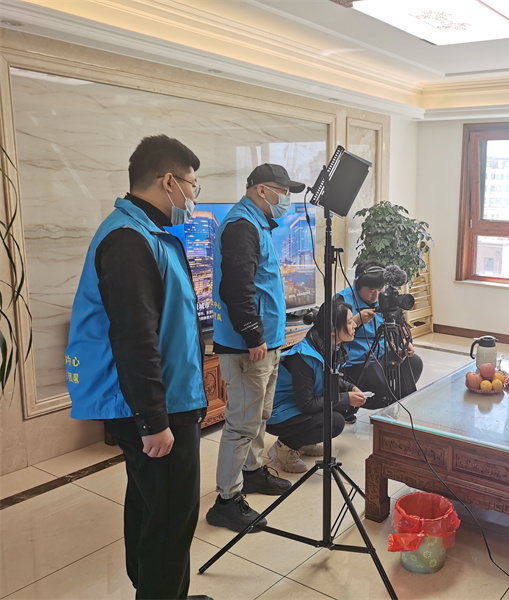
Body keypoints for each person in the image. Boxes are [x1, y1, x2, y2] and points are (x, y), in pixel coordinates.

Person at [66, 135, 212, 600]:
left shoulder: (144, 232)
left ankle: (154, 589)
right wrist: (153, 420)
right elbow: (134, 337)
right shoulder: (128, 240)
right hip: (154, 406)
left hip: (165, 398)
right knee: (170, 518)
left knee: (152, 505)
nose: (193, 197)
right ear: (168, 181)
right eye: (192, 186)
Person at [205, 164, 304, 533]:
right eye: (283, 191)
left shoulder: (258, 223)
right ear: (262, 190)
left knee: (259, 415)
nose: (287, 199)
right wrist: (253, 336)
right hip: (249, 347)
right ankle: (227, 500)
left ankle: (251, 470)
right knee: (241, 423)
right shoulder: (242, 225)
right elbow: (237, 289)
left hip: (267, 342)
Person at [265, 299, 367, 472]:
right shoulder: (304, 357)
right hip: (279, 413)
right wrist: (345, 398)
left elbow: (329, 377)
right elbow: (307, 404)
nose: (355, 325)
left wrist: (349, 388)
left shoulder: (330, 346)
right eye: (350, 322)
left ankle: (304, 442)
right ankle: (285, 447)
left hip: (298, 406)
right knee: (335, 421)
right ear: (333, 329)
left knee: (349, 405)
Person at [337, 261, 424, 416]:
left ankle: (393, 405)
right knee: (379, 387)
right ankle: (348, 407)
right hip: (356, 361)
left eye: (380, 289)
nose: (376, 296)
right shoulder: (342, 301)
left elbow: (400, 325)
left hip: (382, 355)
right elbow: (332, 337)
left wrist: (404, 343)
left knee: (414, 364)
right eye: (371, 291)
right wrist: (356, 321)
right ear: (357, 286)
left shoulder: (387, 298)